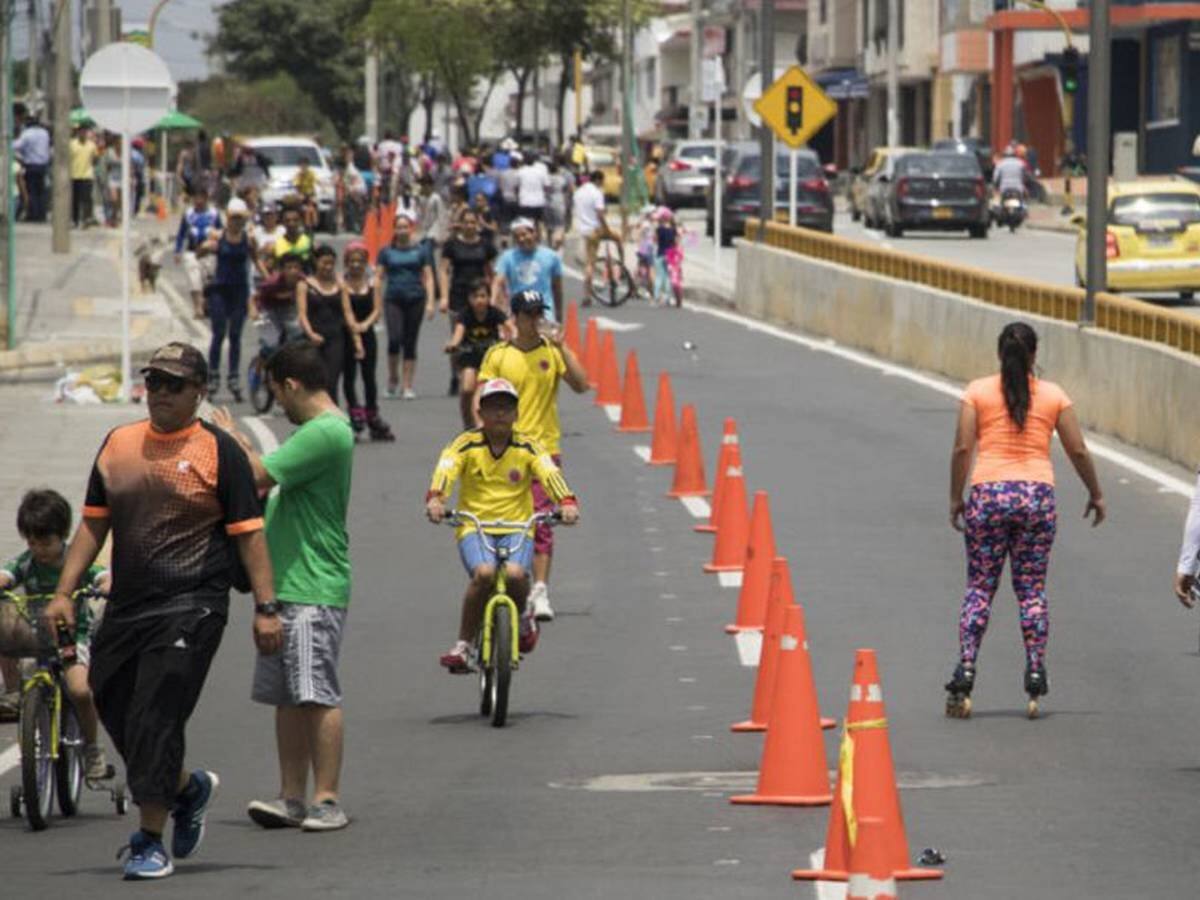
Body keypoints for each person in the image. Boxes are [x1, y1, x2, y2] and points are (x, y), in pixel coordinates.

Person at [45, 342, 280, 879]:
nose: (161, 394)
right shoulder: (118, 444)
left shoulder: (218, 451)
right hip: (127, 605)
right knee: (109, 701)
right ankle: (185, 788)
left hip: (192, 604)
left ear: (199, 392)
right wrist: (63, 592)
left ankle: (150, 838)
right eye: (153, 382)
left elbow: (250, 536)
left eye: (173, 385)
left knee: (157, 712)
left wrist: (267, 608)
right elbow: (93, 523)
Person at [211, 341, 355, 833]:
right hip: (287, 583)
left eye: (277, 395)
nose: (279, 407)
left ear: (292, 385)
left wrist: (230, 439)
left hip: (314, 581)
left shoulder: (326, 432)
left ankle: (327, 798)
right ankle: (291, 796)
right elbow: (266, 480)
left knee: (316, 692)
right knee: (289, 695)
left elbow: (255, 475)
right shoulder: (318, 433)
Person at [945, 322, 1105, 718]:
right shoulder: (1053, 396)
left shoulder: (978, 392)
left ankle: (965, 669)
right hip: (1036, 498)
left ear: (1000, 355)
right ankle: (1035, 671)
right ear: (1034, 356)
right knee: (1031, 590)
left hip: (989, 495)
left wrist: (955, 497)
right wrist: (1095, 493)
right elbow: (1078, 450)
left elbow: (964, 447)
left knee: (980, 589)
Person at [426, 377, 579, 672]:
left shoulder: (528, 447)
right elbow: (446, 468)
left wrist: (567, 502)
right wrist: (436, 499)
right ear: (480, 413)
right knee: (483, 575)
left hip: (518, 527)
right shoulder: (466, 443)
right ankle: (464, 645)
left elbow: (549, 474)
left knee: (516, 574)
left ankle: (522, 619)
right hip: (475, 527)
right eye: (493, 407)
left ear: (516, 414)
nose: (499, 414)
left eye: (506, 408)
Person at [477, 290, 588, 621]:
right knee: (500, 517)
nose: (535, 320)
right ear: (515, 318)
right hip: (503, 448)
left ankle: (539, 589)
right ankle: (502, 580)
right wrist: (478, 435)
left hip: (543, 450)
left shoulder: (551, 354)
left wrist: (562, 346)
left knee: (540, 520)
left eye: (539, 313)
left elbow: (582, 385)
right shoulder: (498, 355)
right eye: (528, 314)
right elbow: (481, 397)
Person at [0, 490, 111, 776]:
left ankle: (91, 748)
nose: (39, 549)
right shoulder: (27, 562)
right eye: (32, 542)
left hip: (69, 636)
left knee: (79, 690)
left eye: (45, 542)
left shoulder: (75, 561)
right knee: (4, 632)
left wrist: (106, 583)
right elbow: (7, 573)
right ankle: (12, 691)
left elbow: (99, 574)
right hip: (37, 632)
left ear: (62, 535)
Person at [197, 198, 263, 401]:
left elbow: (256, 260)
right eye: (233, 218)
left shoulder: (248, 239)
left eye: (240, 218)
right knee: (218, 334)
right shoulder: (218, 237)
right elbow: (199, 253)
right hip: (219, 290)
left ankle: (233, 376)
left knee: (235, 335)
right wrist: (206, 246)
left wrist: (269, 280)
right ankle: (213, 375)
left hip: (239, 292)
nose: (236, 222)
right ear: (227, 218)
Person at [376, 211, 436, 399]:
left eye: (405, 226)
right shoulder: (386, 251)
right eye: (398, 227)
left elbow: (428, 276)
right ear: (394, 229)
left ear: (411, 228)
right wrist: (375, 305)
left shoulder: (421, 250)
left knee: (410, 342)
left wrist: (431, 302)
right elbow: (378, 278)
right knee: (394, 339)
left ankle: (407, 385)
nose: (402, 230)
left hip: (415, 298)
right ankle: (393, 378)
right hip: (393, 298)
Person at [440, 208, 498, 395]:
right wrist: (443, 297)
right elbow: (443, 270)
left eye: (473, 222)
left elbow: (491, 272)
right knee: (459, 338)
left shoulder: (485, 245)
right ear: (461, 224)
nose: (470, 226)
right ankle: (455, 375)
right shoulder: (452, 244)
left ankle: (481, 374)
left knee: (482, 338)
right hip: (458, 295)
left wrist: (494, 296)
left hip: (481, 296)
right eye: (466, 222)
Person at [340, 242, 393, 441]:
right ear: (346, 262)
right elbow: (345, 310)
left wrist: (365, 325)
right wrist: (355, 326)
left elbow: (377, 309)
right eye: (352, 261)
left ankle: (372, 412)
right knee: (349, 376)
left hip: (367, 333)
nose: (355, 265)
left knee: (369, 376)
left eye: (360, 261)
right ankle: (355, 412)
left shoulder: (373, 283)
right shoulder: (342, 283)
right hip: (347, 334)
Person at [445, 279, 511, 428]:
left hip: (490, 358)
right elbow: (458, 334)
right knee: (467, 388)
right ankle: (468, 422)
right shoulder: (465, 315)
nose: (479, 300)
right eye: (475, 296)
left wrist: (513, 339)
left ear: (488, 297)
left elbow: (511, 328)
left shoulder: (494, 313)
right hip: (470, 356)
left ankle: (481, 423)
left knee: (484, 390)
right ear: (469, 299)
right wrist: (453, 345)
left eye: (483, 296)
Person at [298, 244, 359, 404]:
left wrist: (357, 340)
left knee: (331, 382)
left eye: (332, 263)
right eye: (325, 263)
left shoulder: (340, 286)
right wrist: (311, 333)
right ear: (316, 262)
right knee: (315, 383)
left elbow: (348, 313)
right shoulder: (305, 285)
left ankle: (333, 418)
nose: (328, 267)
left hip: (335, 339)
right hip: (313, 339)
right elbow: (302, 315)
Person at [492, 218, 564, 323]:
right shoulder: (507, 257)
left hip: (544, 314)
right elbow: (497, 282)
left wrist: (559, 315)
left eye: (524, 234)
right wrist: (493, 305)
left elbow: (557, 288)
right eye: (517, 237)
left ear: (534, 233)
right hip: (518, 314)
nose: (521, 239)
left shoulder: (551, 256)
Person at [174, 187, 223, 319]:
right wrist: (178, 251)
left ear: (206, 198)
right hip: (193, 251)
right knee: (194, 276)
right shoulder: (188, 215)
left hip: (210, 252)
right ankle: (197, 307)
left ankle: (208, 302)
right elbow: (181, 234)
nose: (199, 201)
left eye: (202, 197)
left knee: (210, 279)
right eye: (196, 197)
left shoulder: (214, 214)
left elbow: (222, 233)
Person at [572, 170, 610, 304]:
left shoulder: (579, 192)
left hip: (581, 229)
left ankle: (588, 292)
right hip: (594, 230)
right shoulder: (596, 193)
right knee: (590, 264)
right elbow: (600, 213)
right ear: (599, 180)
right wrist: (606, 228)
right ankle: (587, 295)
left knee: (588, 262)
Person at [12, 111, 50, 222]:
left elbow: (17, 146)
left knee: (31, 191)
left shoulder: (27, 133)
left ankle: (33, 215)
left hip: (31, 165)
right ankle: (41, 215)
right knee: (41, 191)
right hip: (43, 166)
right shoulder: (45, 133)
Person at [653, 206, 685, 308]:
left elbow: (655, 240)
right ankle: (667, 298)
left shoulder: (658, 229)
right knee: (667, 277)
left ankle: (656, 297)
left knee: (659, 276)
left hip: (660, 253)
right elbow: (676, 242)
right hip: (670, 255)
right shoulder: (673, 229)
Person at [70, 126, 99, 228]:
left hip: (87, 175)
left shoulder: (92, 145)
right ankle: (74, 219)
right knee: (75, 199)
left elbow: (96, 158)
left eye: (84, 132)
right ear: (78, 133)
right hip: (74, 175)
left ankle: (85, 219)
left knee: (86, 199)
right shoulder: (72, 144)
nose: (82, 134)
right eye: (80, 132)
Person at [273, 205, 314, 272]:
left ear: (300, 221)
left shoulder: (308, 242)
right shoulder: (277, 244)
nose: (291, 223)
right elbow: (274, 269)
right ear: (282, 222)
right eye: (287, 220)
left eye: (295, 220)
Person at [516, 154, 549, 231]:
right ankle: (539, 239)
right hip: (539, 201)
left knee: (526, 223)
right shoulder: (541, 172)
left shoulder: (520, 171)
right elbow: (547, 186)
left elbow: (516, 186)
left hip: (525, 201)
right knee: (539, 223)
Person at [293, 157, 319, 231]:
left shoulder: (311, 174)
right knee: (299, 203)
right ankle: (300, 222)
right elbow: (296, 185)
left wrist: (323, 187)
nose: (303, 167)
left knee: (312, 207)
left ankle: (314, 223)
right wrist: (299, 194)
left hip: (311, 194)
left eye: (305, 165)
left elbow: (317, 181)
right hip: (303, 195)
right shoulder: (298, 175)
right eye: (301, 165)